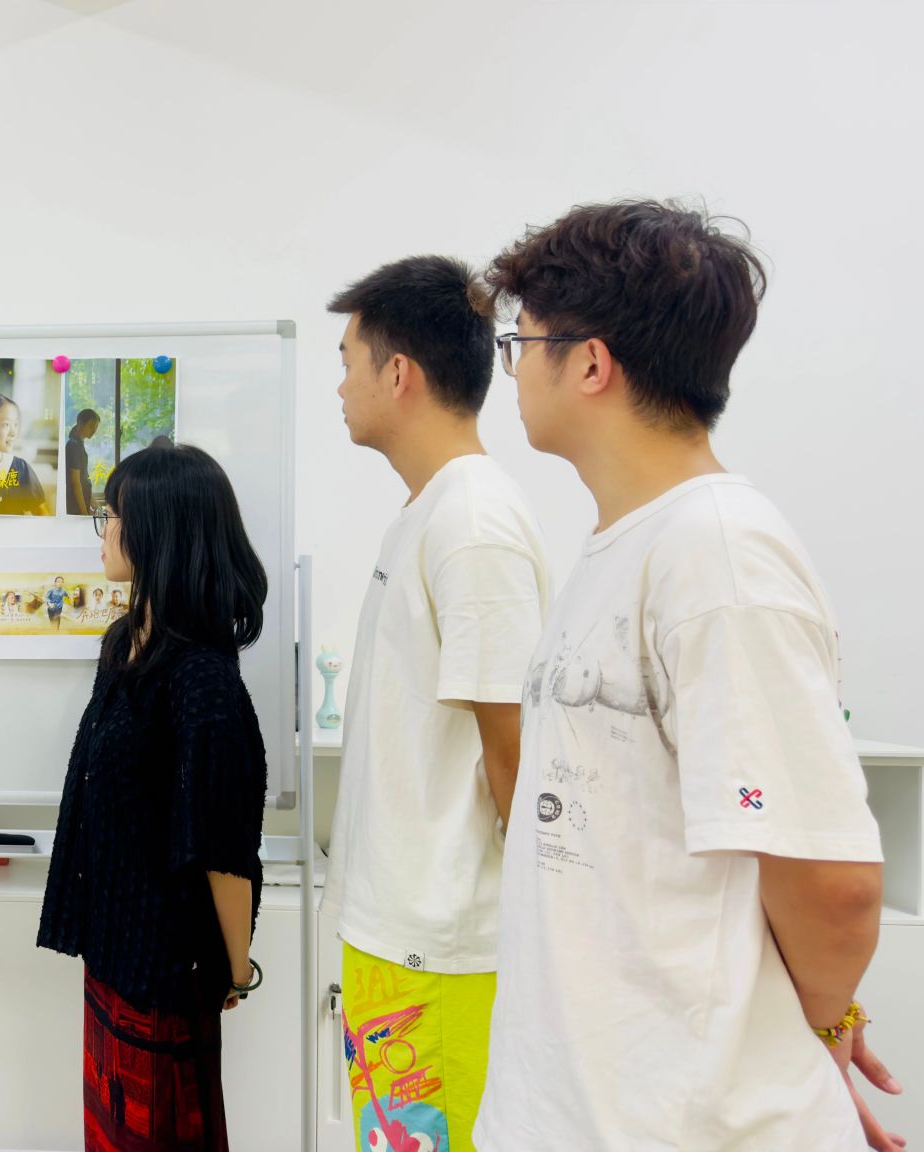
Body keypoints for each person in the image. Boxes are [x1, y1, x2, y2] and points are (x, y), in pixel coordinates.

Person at [475, 201, 899, 1152]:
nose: (514, 370)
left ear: (591, 363)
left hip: (684, 1121)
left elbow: (832, 885)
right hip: (579, 1105)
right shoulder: (627, 543)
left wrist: (817, 1028)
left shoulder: (718, 557)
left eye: (522, 343)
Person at [318, 255, 551, 1151]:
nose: (341, 386)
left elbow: (516, 751)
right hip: (397, 937)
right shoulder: (428, 511)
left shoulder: (473, 522)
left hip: (440, 944)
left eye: (348, 361)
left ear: (399, 373)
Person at [39, 444, 270, 1151]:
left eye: (115, 514)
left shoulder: (203, 680)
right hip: (113, 955)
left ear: (159, 531)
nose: (104, 529)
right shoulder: (122, 644)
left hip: (167, 974)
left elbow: (224, 847)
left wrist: (236, 970)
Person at [66, 407, 101, 515]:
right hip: (76, 508)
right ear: (81, 423)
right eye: (91, 426)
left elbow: (84, 480)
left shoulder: (78, 444)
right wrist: (84, 513)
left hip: (82, 505)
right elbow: (76, 483)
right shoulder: (74, 446)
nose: (93, 431)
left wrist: (96, 507)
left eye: (95, 428)